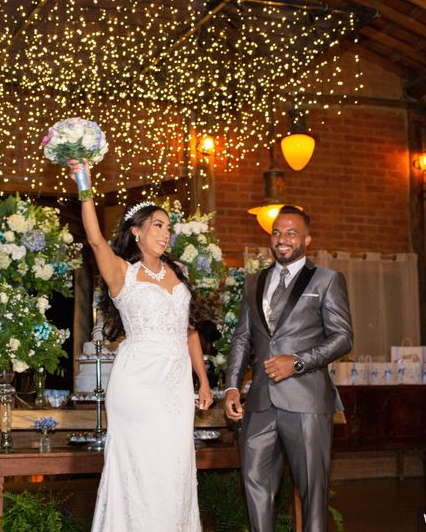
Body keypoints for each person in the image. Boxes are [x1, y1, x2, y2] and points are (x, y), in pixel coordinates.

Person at [68, 160, 212, 531]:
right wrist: (83, 183)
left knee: (174, 466)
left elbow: (189, 330)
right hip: (137, 383)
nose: (166, 234)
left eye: (168, 228)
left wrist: (204, 380)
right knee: (141, 466)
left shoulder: (178, 274)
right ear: (136, 232)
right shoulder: (122, 272)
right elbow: (96, 239)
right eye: (158, 226)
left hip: (176, 385)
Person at [223, 206, 352, 532]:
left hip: (307, 403)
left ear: (307, 238)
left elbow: (343, 337)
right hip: (259, 403)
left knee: (312, 493)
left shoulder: (326, 280)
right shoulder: (253, 281)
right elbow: (242, 338)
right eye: (277, 232)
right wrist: (232, 387)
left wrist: (297, 362)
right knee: (254, 484)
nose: (282, 239)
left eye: (291, 233)